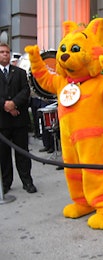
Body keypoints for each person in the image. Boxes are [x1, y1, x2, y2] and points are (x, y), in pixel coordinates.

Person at [0, 42, 37, 194]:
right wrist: (5, 105)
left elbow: (25, 91)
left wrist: (14, 104)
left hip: (19, 120)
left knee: (23, 153)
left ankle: (27, 181)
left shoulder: (20, 72)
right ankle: (6, 183)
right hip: (2, 122)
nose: (5, 54)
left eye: (7, 52)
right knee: (4, 155)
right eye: (2, 52)